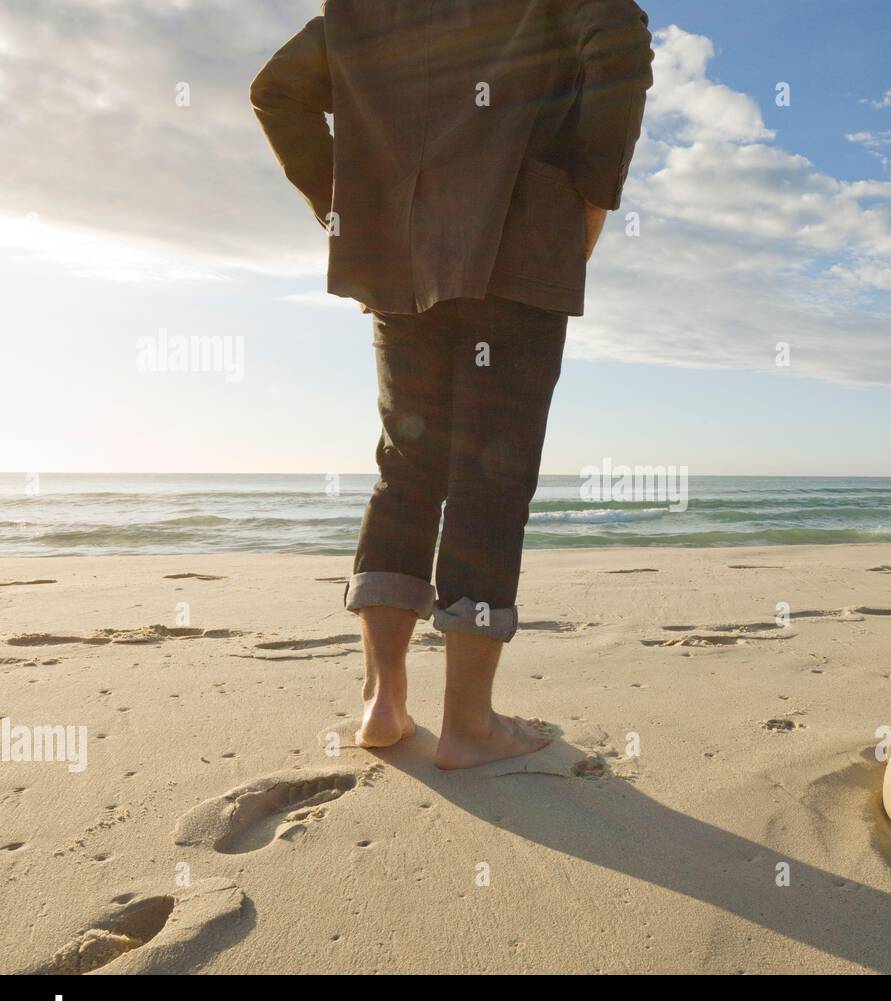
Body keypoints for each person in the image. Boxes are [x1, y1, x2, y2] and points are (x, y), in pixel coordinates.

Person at [251, 0, 654, 767]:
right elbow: (620, 39)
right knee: (490, 479)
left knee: (405, 469)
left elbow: (276, 90)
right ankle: (468, 724)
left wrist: (348, 208)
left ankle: (383, 703)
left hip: (402, 253)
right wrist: (594, 198)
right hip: (520, 242)